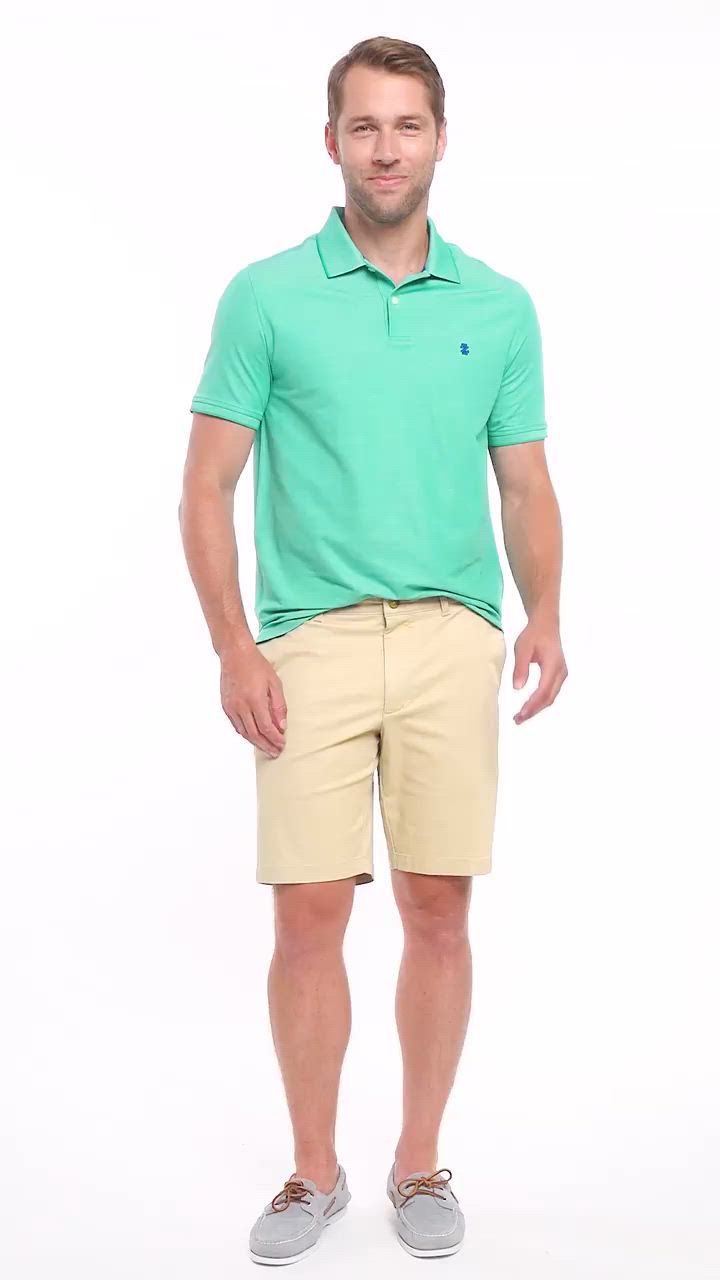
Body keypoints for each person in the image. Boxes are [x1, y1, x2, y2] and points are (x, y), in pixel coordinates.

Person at [179, 34, 568, 1265]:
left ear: (441, 138)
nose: (386, 148)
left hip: (453, 634)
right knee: (307, 916)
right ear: (332, 141)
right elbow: (206, 486)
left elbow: (524, 483)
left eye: (407, 125)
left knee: (438, 909)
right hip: (311, 641)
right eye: (365, 126)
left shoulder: (499, 306)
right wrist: (235, 648)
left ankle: (418, 1160)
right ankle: (312, 1170)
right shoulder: (266, 296)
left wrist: (546, 611)